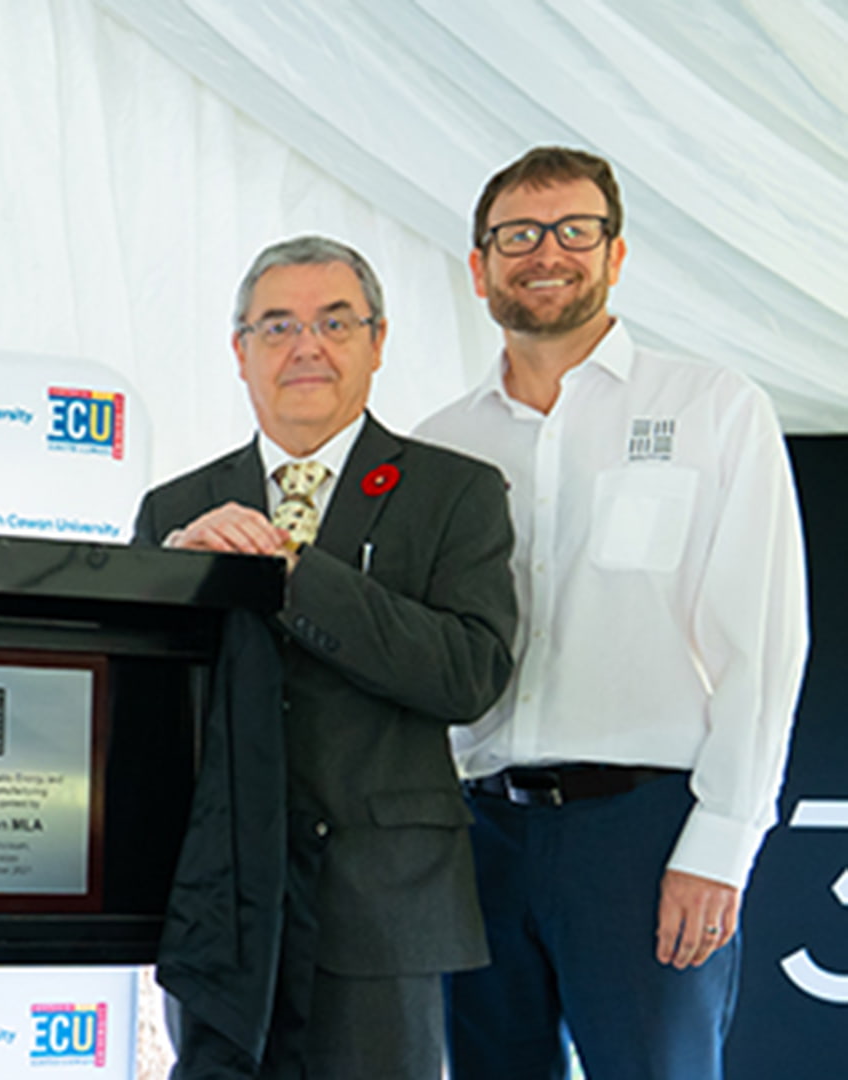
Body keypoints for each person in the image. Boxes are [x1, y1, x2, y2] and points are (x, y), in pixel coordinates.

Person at [417, 146, 808, 1079]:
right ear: (479, 267)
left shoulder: (715, 409)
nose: (545, 252)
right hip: (475, 836)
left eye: (574, 231)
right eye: (517, 234)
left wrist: (721, 845)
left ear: (615, 254)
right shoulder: (439, 445)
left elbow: (765, 645)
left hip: (643, 835)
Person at [135, 235, 517, 1078]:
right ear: (240, 352)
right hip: (220, 900)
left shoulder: (456, 491)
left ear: (377, 342)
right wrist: (172, 571)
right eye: (277, 326)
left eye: (334, 322)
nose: (306, 345)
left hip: (384, 904)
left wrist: (296, 576)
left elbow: (468, 674)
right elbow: (144, 706)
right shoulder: (179, 507)